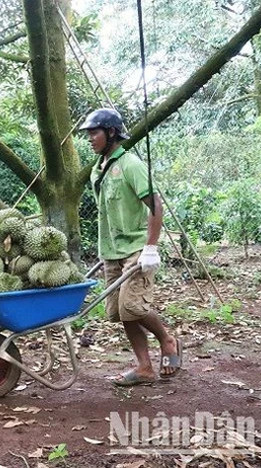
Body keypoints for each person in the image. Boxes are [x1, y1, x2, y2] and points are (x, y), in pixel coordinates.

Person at [81, 108, 182, 386]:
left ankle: (167, 339)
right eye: (88, 135)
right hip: (111, 251)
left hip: (137, 247)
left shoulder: (130, 165)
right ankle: (144, 367)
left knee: (133, 306)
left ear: (111, 133)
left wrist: (151, 247)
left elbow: (155, 205)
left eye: (94, 133)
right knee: (118, 312)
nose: (90, 139)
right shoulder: (97, 170)